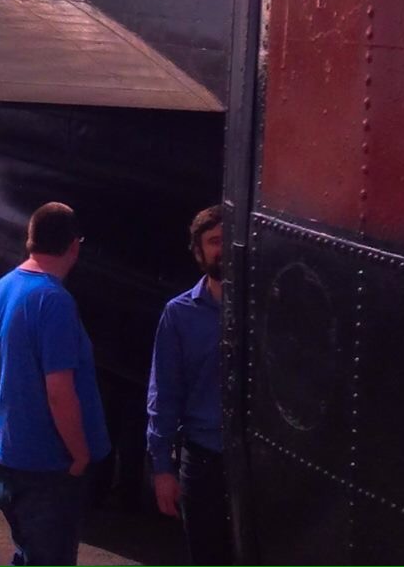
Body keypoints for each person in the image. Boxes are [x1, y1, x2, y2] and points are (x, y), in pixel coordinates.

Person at [0, 202, 110, 567]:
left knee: (27, 554)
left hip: (8, 454)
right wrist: (80, 452)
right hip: (47, 464)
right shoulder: (53, 301)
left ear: (30, 240)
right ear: (74, 245)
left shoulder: (3, 288)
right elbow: (59, 390)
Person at [147, 206, 229, 564]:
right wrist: (162, 468)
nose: (222, 249)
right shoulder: (179, 314)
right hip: (204, 460)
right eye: (214, 242)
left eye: (228, 240)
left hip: (260, 466)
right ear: (199, 252)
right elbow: (164, 394)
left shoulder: (267, 308)